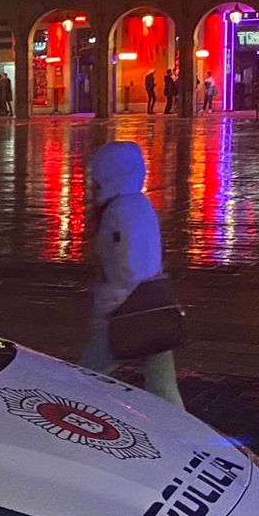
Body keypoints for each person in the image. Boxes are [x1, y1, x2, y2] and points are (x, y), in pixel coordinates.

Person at [80, 141, 183, 408]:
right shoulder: (139, 204)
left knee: (85, 378)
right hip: (154, 308)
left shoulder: (118, 212)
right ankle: (181, 434)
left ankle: (75, 421)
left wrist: (107, 310)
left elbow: (125, 268)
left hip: (128, 313)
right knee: (163, 387)